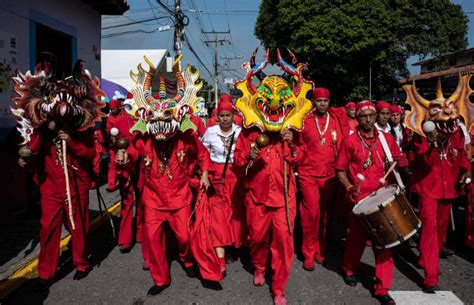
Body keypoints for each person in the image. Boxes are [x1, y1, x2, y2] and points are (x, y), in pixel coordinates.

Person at [334, 101, 408, 305]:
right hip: (359, 200)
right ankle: (348, 268)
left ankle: (382, 288)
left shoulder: (386, 139)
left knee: (384, 243)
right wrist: (349, 187)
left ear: (376, 117)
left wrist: (403, 162)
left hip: (382, 198)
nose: (367, 119)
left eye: (371, 115)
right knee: (356, 240)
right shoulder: (349, 141)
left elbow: (398, 160)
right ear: (357, 118)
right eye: (363, 116)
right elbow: (340, 170)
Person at [19, 122, 95, 288]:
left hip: (76, 186)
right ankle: (46, 273)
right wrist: (26, 163)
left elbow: (90, 153)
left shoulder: (81, 128)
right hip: (51, 189)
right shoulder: (40, 133)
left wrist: (71, 141)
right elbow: (33, 158)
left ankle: (82, 262)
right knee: (48, 230)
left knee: (79, 227)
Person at [234, 127, 304, 305]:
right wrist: (249, 156)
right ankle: (259, 266)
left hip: (284, 199)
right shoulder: (247, 133)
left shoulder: (291, 131)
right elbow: (238, 162)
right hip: (257, 197)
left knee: (284, 244)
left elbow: (300, 157)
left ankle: (279, 288)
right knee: (257, 238)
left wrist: (291, 143)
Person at [412, 124, 471, 292]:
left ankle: (425, 258)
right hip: (428, 188)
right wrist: (432, 144)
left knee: (440, 230)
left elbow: (461, 155)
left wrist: (467, 170)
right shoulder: (421, 133)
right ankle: (431, 276)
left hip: (449, 188)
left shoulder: (457, 131)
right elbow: (425, 162)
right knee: (430, 227)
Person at [298, 87, 349, 271]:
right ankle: (308, 253)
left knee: (326, 215)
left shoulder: (335, 119)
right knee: (311, 214)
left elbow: (344, 143)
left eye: (325, 101)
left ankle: (321, 248)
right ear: (313, 102)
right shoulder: (304, 120)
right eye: (319, 101)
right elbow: (298, 145)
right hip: (308, 173)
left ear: (329, 101)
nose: (322, 104)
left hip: (329, 175)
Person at [201, 99, 244, 276]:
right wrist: (205, 174)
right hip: (217, 177)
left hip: (237, 177)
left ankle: (233, 246)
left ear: (233, 116)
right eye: (222, 116)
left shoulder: (241, 132)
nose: (225, 119)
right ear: (217, 117)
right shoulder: (210, 132)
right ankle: (220, 259)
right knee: (218, 217)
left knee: (235, 215)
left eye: (228, 115)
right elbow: (202, 155)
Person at [106, 98, 139, 253]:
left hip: (141, 165)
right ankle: (125, 239)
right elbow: (113, 144)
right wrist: (113, 143)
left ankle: (141, 233)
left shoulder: (139, 119)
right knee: (126, 203)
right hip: (124, 164)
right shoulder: (114, 121)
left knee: (144, 203)